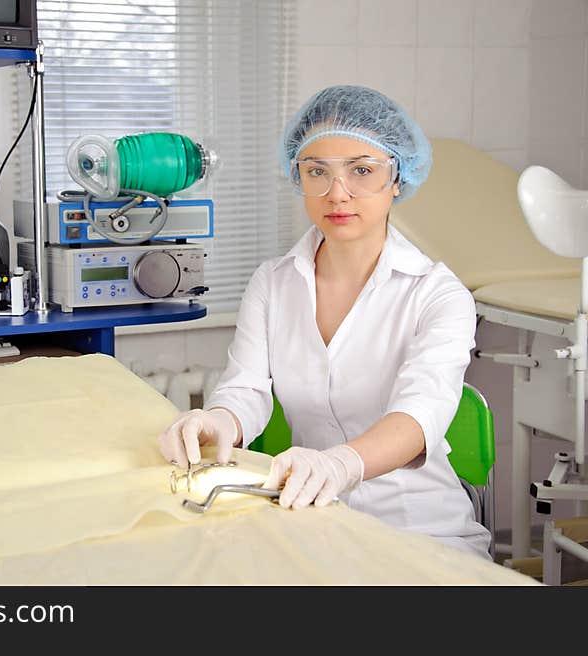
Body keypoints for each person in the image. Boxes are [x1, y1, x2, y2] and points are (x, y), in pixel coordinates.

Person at [157, 85, 491, 558]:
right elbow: (246, 390)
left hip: (421, 532)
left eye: (361, 170)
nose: (338, 194)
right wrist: (216, 421)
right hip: (310, 522)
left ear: (397, 177)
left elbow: (420, 415)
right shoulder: (272, 283)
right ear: (298, 175)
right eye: (317, 171)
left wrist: (342, 464)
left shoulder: (437, 295)